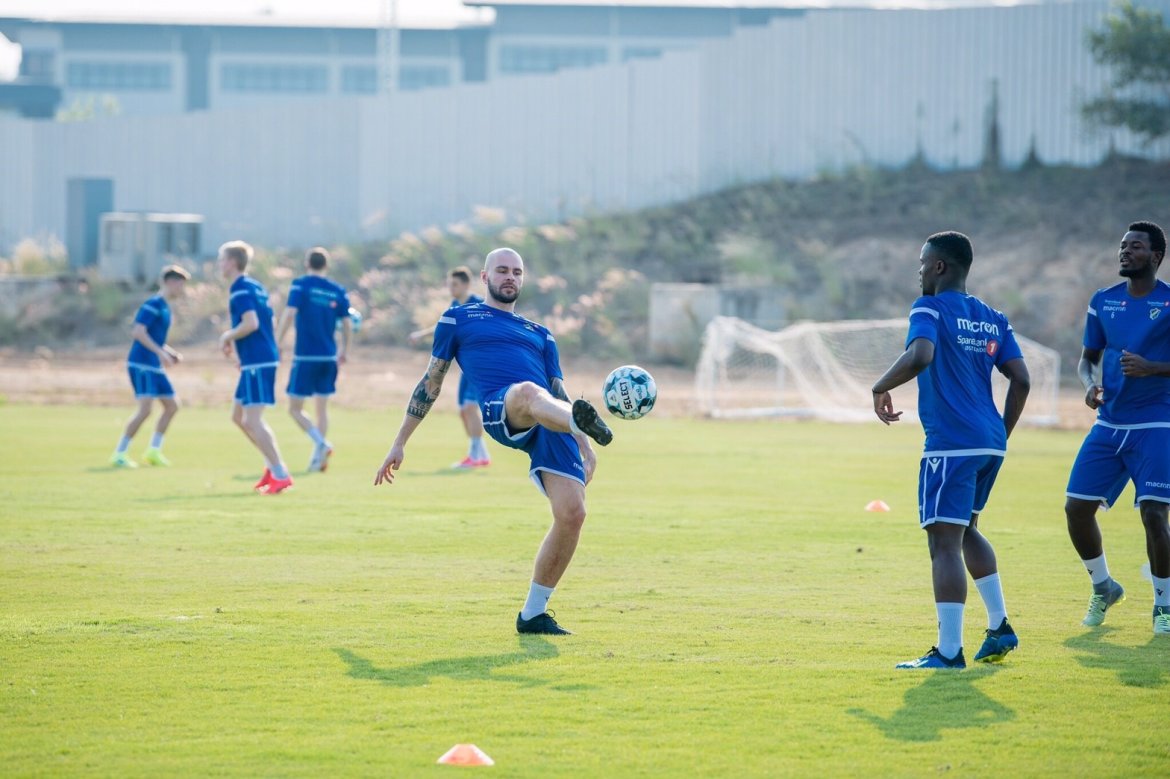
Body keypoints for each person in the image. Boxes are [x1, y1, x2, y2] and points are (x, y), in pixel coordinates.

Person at [375, 247, 614, 635]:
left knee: (573, 514)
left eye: (517, 272)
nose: (510, 277)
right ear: (485, 277)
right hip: (503, 406)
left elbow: (560, 392)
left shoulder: (541, 334)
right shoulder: (458, 318)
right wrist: (400, 441)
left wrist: (586, 447)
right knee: (529, 392)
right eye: (502, 270)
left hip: (552, 417)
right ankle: (574, 422)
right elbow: (431, 382)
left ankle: (533, 614)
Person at [872, 231, 1030, 669]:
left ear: (939, 266)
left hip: (952, 444)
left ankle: (948, 652)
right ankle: (999, 626)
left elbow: (920, 355)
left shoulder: (929, 308)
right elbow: (1022, 379)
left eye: (923, 262)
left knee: (944, 543)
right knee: (967, 530)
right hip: (989, 442)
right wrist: (999, 435)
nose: (919, 270)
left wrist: (879, 386)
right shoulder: (993, 317)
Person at [1064, 221, 1170, 635]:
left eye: (1136, 246)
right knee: (1076, 508)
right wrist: (1089, 385)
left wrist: (1152, 368)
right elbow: (1086, 359)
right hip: (1109, 423)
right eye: (1123, 245)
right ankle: (1104, 586)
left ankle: (1163, 607)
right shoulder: (1103, 301)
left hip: (1157, 423)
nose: (1125, 251)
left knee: (1154, 515)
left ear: (1156, 256)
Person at [217, 240, 293, 495]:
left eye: (221, 259)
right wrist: (242, 353)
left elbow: (251, 323)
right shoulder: (255, 286)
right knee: (238, 417)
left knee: (252, 419)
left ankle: (281, 473)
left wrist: (227, 336)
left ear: (232, 262)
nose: (219, 264)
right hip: (257, 358)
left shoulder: (240, 289)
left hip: (258, 361)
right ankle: (272, 467)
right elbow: (268, 322)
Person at [276, 247, 352, 473]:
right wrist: (345, 350)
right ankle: (317, 459)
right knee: (322, 410)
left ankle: (321, 443)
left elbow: (289, 314)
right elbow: (347, 323)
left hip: (306, 356)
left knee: (294, 409)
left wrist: (277, 342)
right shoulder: (337, 290)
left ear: (307, 264)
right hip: (329, 356)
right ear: (326, 265)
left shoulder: (300, 285)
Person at [409, 266, 490, 469]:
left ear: (466, 284)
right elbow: (442, 326)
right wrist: (421, 334)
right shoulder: (455, 305)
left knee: (470, 408)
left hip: (480, 367)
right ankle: (481, 455)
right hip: (466, 368)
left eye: (455, 284)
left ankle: (474, 456)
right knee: (463, 410)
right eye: (449, 284)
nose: (451, 288)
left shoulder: (480, 304)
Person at [110, 264, 190, 468]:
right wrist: (161, 353)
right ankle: (120, 453)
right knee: (145, 410)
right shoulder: (153, 304)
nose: (182, 289)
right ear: (170, 282)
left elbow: (154, 338)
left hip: (153, 364)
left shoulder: (165, 307)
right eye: (180, 284)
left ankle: (153, 451)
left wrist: (169, 352)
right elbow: (138, 332)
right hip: (141, 364)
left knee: (172, 406)